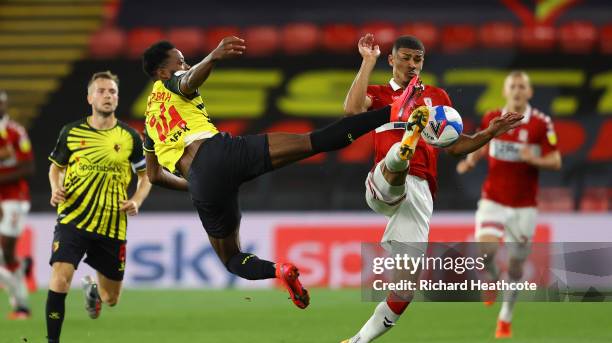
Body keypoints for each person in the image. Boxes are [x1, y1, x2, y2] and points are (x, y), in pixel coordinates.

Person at [141, 36, 433, 310]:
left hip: (202, 182)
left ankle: (279, 270)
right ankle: (395, 111)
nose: (185, 65)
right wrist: (213, 57)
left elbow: (154, 176)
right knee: (315, 141)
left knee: (232, 259)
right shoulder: (172, 82)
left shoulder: (149, 127)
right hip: (225, 153)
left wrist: (193, 185)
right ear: (162, 73)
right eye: (180, 61)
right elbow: (189, 80)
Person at [336, 34, 524, 343]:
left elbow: (457, 147)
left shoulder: (437, 98)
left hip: (419, 195)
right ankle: (406, 144)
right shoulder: (378, 93)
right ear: (392, 60)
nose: (412, 65)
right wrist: (366, 60)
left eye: (418, 60)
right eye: (405, 58)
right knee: (396, 165)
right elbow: (351, 110)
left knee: (405, 290)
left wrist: (490, 132)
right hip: (382, 183)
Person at [44, 71, 152, 343]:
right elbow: (56, 168)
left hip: (111, 224)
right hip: (73, 217)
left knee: (111, 298)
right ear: (90, 97)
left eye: (113, 92)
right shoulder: (71, 132)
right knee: (59, 278)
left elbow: (146, 178)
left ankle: (94, 291)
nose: (108, 96)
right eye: (102, 91)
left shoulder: (130, 137)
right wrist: (55, 188)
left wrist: (137, 200)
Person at [456, 70, 561, 339]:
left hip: (524, 206)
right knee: (485, 252)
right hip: (493, 199)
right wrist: (470, 160)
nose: (516, 90)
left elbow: (556, 161)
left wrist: (534, 159)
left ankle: (505, 318)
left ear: (529, 92)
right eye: (512, 86)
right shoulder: (493, 117)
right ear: (505, 91)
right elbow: (482, 142)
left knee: (516, 265)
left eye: (521, 86)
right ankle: (491, 278)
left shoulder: (540, 123)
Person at [0, 90, 35, 319]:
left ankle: (21, 305)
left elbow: (28, 167)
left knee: (6, 251)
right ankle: (21, 305)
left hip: (14, 198)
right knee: (6, 257)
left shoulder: (15, 132)